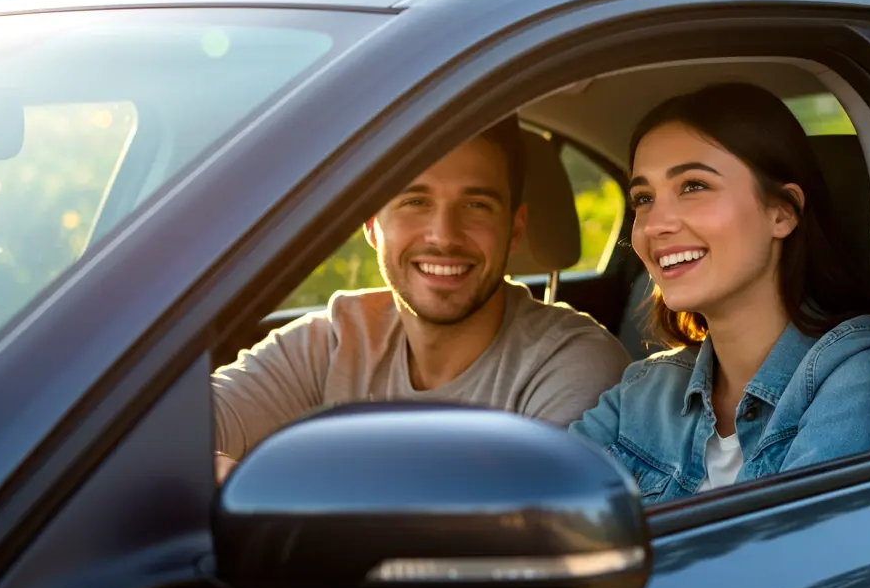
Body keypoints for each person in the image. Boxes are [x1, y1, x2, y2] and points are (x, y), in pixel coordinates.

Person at [213, 115, 631, 477]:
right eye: (415, 201)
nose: (444, 236)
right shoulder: (336, 340)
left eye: (476, 206)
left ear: (515, 228)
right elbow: (181, 433)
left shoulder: (568, 365)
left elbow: (503, 536)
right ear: (372, 224)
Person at [570, 83, 870, 504]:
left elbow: (793, 557)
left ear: (782, 212)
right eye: (643, 199)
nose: (654, 224)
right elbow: (532, 513)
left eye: (693, 186)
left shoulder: (851, 369)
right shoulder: (643, 390)